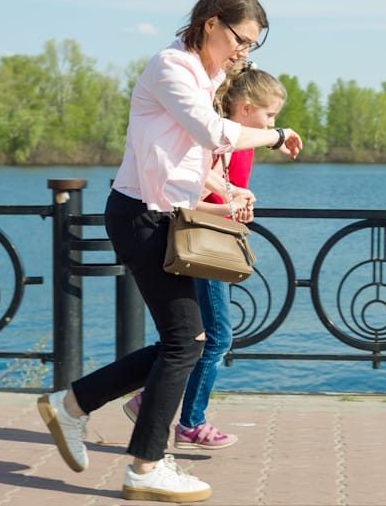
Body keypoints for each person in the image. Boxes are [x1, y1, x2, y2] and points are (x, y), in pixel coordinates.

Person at [36, 0, 302, 503]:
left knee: (182, 340)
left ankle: (72, 407)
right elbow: (212, 134)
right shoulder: (170, 68)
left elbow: (188, 160)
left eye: (252, 44)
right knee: (187, 341)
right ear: (211, 24)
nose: (244, 51)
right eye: (241, 39)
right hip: (139, 215)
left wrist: (226, 188)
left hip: (163, 215)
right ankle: (144, 464)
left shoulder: (208, 74)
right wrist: (273, 134)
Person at [121, 60, 287, 452]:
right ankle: (190, 422)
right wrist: (229, 208)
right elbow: (189, 200)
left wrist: (234, 202)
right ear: (245, 107)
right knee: (216, 338)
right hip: (203, 247)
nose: (272, 123)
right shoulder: (220, 144)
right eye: (270, 114)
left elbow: (220, 191)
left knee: (201, 338)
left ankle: (149, 399)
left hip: (212, 244)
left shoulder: (234, 143)